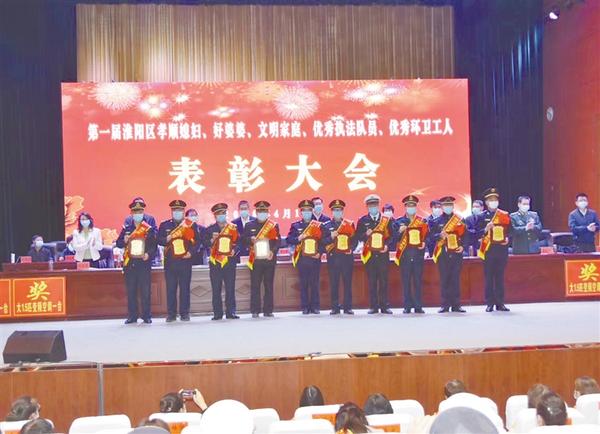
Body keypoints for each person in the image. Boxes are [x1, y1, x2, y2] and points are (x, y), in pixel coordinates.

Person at [116, 199, 157, 324]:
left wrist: (148, 254)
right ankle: (132, 316)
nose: (137, 214)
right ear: (131, 213)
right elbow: (118, 243)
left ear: (143, 212)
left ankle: (146, 316)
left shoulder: (148, 229)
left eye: (140, 211)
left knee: (145, 291)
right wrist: (124, 240)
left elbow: (153, 246)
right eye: (135, 211)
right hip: (130, 264)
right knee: (131, 291)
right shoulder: (127, 228)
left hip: (144, 263)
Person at [286, 200, 330, 315]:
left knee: (315, 283)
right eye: (304, 211)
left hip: (315, 259)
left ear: (312, 211)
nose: (307, 213)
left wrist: (320, 252)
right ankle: (305, 307)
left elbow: (325, 240)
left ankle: (315, 307)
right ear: (301, 212)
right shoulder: (296, 226)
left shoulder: (318, 225)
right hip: (302, 259)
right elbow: (288, 240)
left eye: (309, 210)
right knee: (303, 284)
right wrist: (298, 238)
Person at [356, 194, 395, 314]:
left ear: (378, 206)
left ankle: (384, 306)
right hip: (370, 255)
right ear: (367, 207)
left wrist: (387, 246)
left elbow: (392, 236)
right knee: (372, 281)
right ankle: (373, 306)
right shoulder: (363, 220)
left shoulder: (386, 220)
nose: (373, 207)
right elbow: (358, 236)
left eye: (375, 205)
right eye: (370, 205)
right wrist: (365, 234)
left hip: (383, 255)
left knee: (384, 281)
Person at [158, 200, 195, 322]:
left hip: (185, 262)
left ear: (183, 211)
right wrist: (167, 238)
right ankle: (171, 314)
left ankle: (185, 314)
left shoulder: (190, 225)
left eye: (179, 210)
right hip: (170, 262)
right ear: (171, 211)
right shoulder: (165, 225)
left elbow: (197, 242)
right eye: (175, 210)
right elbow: (159, 240)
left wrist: (191, 253)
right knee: (171, 289)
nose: (177, 212)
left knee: (185, 289)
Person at [242, 201, 281, 318]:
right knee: (255, 285)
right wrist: (250, 240)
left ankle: (268, 310)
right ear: (256, 212)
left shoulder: (273, 225)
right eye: (260, 211)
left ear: (268, 212)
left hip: (269, 259)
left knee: (268, 285)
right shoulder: (249, 225)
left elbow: (278, 242)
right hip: (255, 260)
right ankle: (255, 310)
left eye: (264, 211)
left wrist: (273, 251)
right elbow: (243, 240)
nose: (262, 213)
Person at [203, 203, 240, 320]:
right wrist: (211, 240)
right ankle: (217, 314)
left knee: (230, 288)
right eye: (219, 214)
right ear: (215, 216)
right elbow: (204, 243)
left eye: (223, 213)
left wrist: (234, 250)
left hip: (229, 262)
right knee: (216, 289)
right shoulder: (209, 229)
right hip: (215, 263)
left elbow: (239, 243)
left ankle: (231, 312)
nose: (221, 215)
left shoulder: (232, 228)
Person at [430, 197, 466, 313]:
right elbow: (430, 237)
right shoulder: (436, 221)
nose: (448, 207)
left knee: (455, 279)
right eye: (446, 205)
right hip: (443, 254)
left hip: (456, 253)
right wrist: (439, 235)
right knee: (444, 279)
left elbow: (466, 235)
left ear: (453, 206)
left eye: (450, 205)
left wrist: (463, 246)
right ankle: (444, 305)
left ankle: (456, 305)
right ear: (442, 207)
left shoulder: (460, 220)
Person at [394, 195, 428, 314]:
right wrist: (399, 231)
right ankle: (407, 306)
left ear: (416, 207)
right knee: (406, 281)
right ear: (405, 207)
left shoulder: (422, 221)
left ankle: (418, 306)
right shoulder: (399, 221)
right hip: (405, 256)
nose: (411, 207)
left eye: (413, 205)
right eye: (409, 205)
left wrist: (424, 243)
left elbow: (427, 237)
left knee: (418, 281)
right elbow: (394, 238)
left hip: (418, 255)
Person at [479, 188, 511, 312]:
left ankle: (500, 303)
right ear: (486, 202)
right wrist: (485, 229)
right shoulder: (482, 216)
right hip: (488, 251)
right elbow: (475, 233)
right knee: (488, 278)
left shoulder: (504, 214)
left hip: (501, 250)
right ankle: (489, 303)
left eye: (495, 199)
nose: (493, 202)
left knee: (500, 277)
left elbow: (511, 230)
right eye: (491, 200)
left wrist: (508, 238)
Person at [324, 199, 357, 315]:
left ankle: (348, 307)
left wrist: (351, 249)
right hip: (333, 258)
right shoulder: (326, 226)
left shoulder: (349, 224)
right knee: (334, 283)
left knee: (347, 283)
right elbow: (322, 242)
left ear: (343, 212)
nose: (337, 212)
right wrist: (331, 237)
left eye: (339, 210)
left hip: (347, 258)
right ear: (332, 212)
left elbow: (354, 240)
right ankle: (335, 307)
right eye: (335, 210)